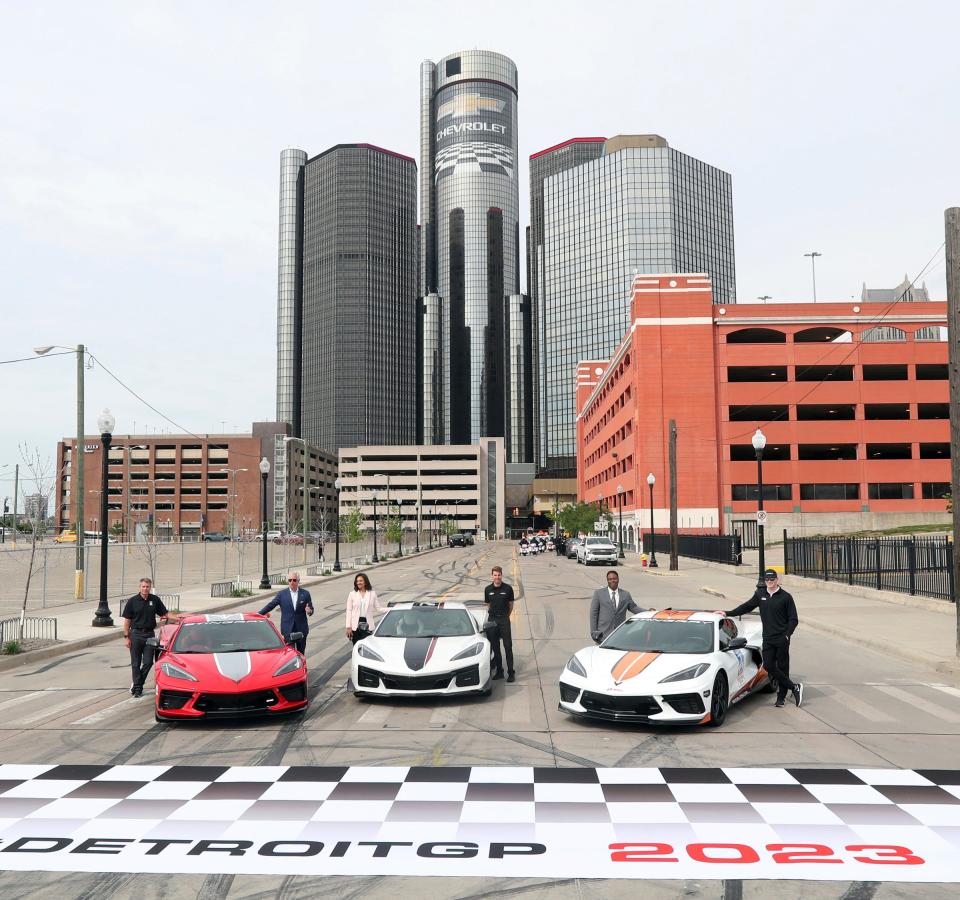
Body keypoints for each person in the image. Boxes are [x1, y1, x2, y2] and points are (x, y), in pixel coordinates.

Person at [715, 569, 802, 708]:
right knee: (767, 665)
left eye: (772, 579)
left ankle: (781, 697)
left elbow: (793, 619)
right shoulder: (760, 594)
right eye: (767, 580)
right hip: (767, 638)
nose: (769, 582)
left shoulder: (786, 597)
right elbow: (746, 607)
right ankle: (794, 687)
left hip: (781, 638)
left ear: (777, 579)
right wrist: (727, 613)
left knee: (783, 667)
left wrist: (787, 635)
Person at [122, 577, 179, 697]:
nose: (145, 589)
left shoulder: (154, 600)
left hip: (149, 635)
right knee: (135, 663)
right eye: (143, 586)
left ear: (150, 587)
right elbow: (127, 620)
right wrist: (126, 637)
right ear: (140, 587)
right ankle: (137, 689)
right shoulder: (132, 601)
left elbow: (165, 613)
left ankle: (138, 683)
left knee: (148, 662)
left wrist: (180, 619)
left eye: (147, 587)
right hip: (136, 634)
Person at [259, 571, 314, 653]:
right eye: (290, 580)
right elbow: (271, 605)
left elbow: (311, 609)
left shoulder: (305, 594)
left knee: (301, 653)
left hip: (301, 629)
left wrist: (309, 611)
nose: (292, 582)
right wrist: (258, 614)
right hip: (288, 629)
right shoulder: (282, 594)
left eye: (294, 580)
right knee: (289, 654)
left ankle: (302, 666)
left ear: (298, 581)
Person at [589, 569, 646, 644]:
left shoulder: (625, 594)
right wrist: (594, 632)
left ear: (618, 579)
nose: (613, 580)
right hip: (603, 636)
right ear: (607, 581)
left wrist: (649, 612)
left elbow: (634, 608)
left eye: (614, 579)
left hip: (620, 635)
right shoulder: (599, 594)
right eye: (610, 579)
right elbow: (593, 613)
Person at [484, 565, 516, 682]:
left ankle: (511, 672)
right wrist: (493, 616)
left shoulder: (507, 589)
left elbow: (511, 604)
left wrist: (506, 615)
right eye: (495, 575)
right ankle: (499, 671)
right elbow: (488, 604)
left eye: (499, 575)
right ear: (492, 576)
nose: (497, 577)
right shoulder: (488, 589)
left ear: (502, 575)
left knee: (508, 647)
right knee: (495, 647)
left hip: (504, 620)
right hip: (492, 621)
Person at [345, 572, 385, 644]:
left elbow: (379, 609)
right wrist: (348, 627)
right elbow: (349, 611)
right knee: (356, 646)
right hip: (355, 626)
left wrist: (393, 608)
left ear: (365, 582)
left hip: (368, 625)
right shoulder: (352, 594)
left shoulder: (372, 594)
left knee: (367, 646)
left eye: (360, 581)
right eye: (357, 581)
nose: (358, 583)